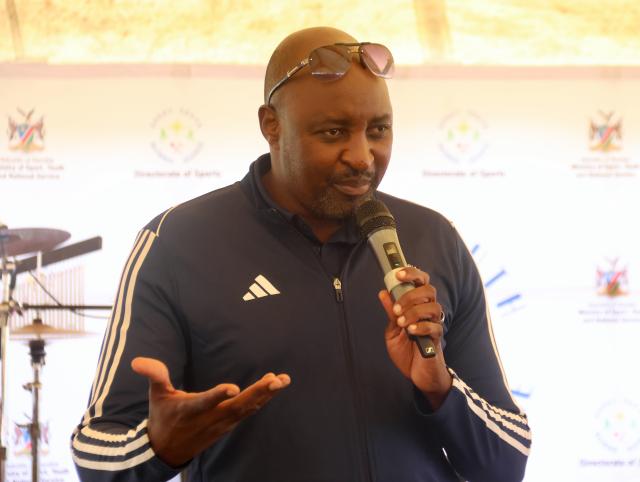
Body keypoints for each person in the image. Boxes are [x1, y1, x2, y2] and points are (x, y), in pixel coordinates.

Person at [72, 26, 531, 482]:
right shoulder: (177, 243)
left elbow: (506, 463)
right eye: (333, 132)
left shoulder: (434, 238)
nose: (362, 156)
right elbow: (96, 454)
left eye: (379, 130)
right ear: (271, 125)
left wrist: (440, 390)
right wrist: (157, 447)